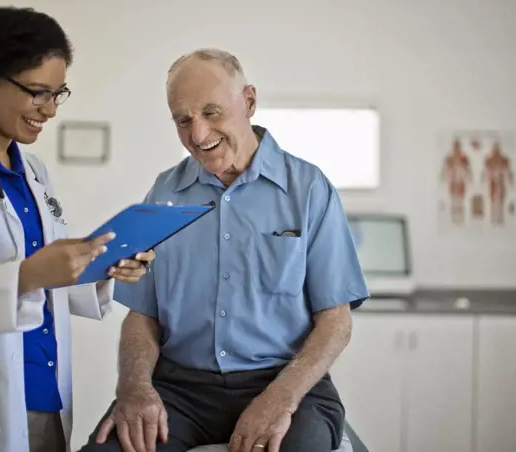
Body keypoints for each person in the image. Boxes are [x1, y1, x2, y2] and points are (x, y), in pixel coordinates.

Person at [80, 48, 369, 452]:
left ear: (249, 101)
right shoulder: (165, 191)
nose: (198, 135)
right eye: (183, 120)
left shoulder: (309, 190)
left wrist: (279, 399)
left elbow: (336, 322)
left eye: (211, 112)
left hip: (284, 382)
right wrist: (134, 388)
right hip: (181, 390)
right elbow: (142, 316)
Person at [0, 7, 155, 452]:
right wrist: (28, 275)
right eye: (37, 93)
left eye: (57, 94)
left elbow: (48, 279)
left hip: (45, 396)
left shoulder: (34, 173)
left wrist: (102, 266)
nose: (49, 110)